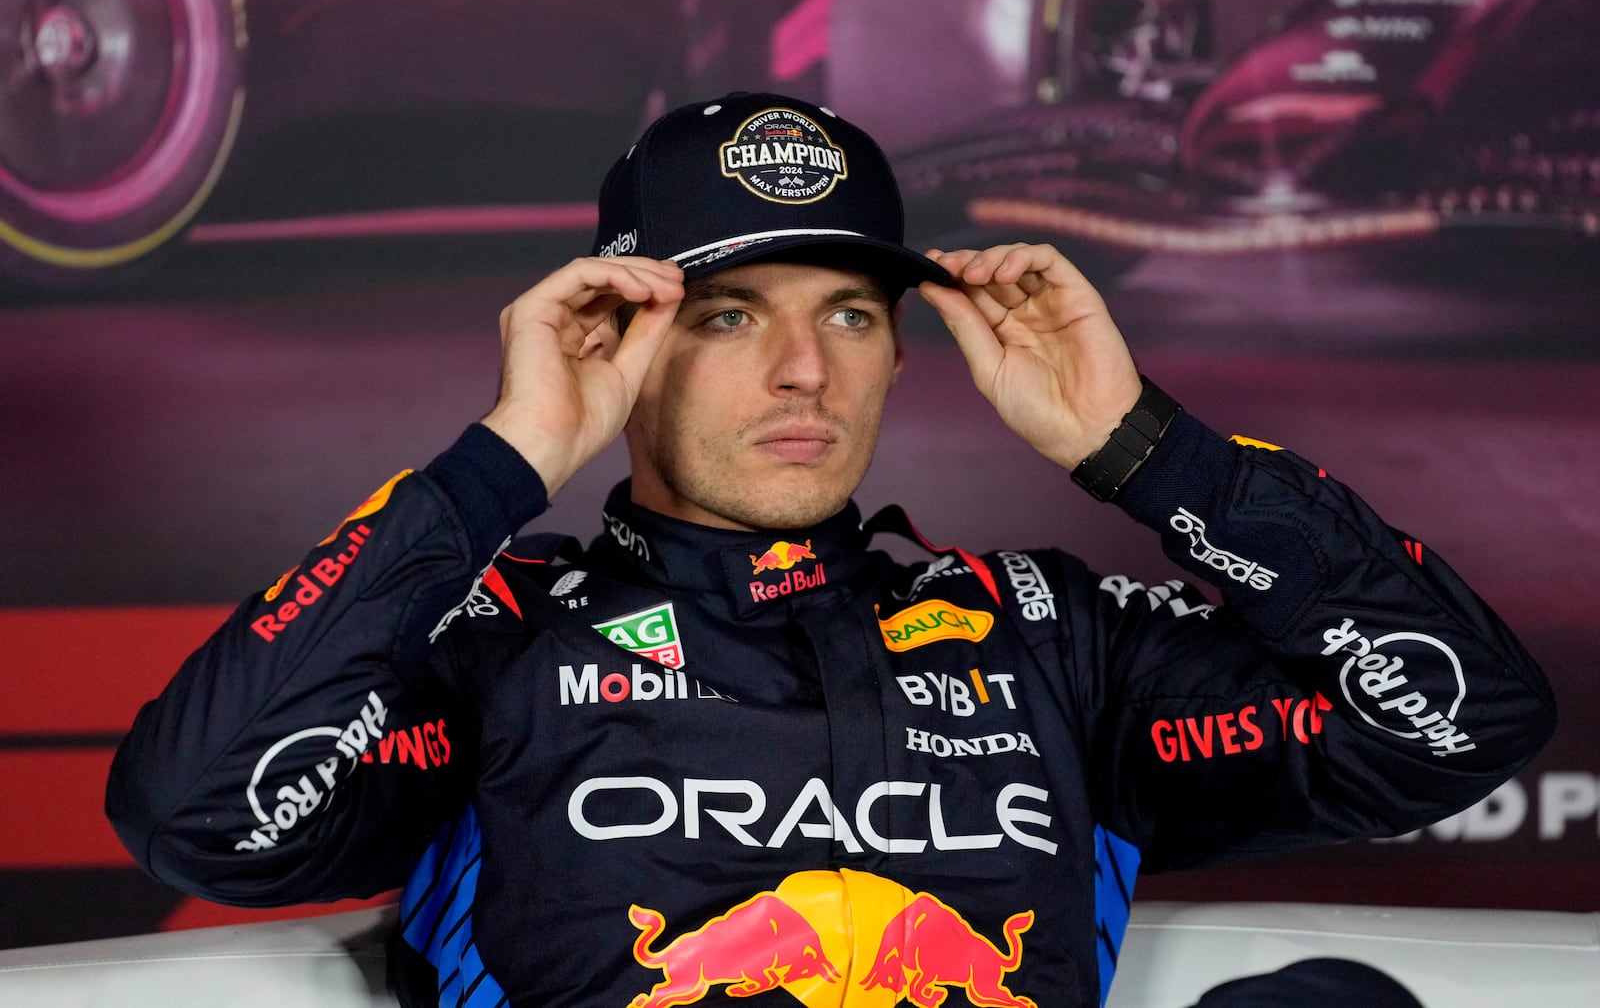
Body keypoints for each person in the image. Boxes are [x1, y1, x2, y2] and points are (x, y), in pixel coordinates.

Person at [106, 91, 1554, 1008]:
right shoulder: (494, 636)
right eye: (733, 316)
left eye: (851, 314)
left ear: (900, 353)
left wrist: (1146, 450)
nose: (805, 370)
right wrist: (503, 463)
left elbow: (1454, 718)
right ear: (617, 343)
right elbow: (202, 811)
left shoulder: (1049, 638)